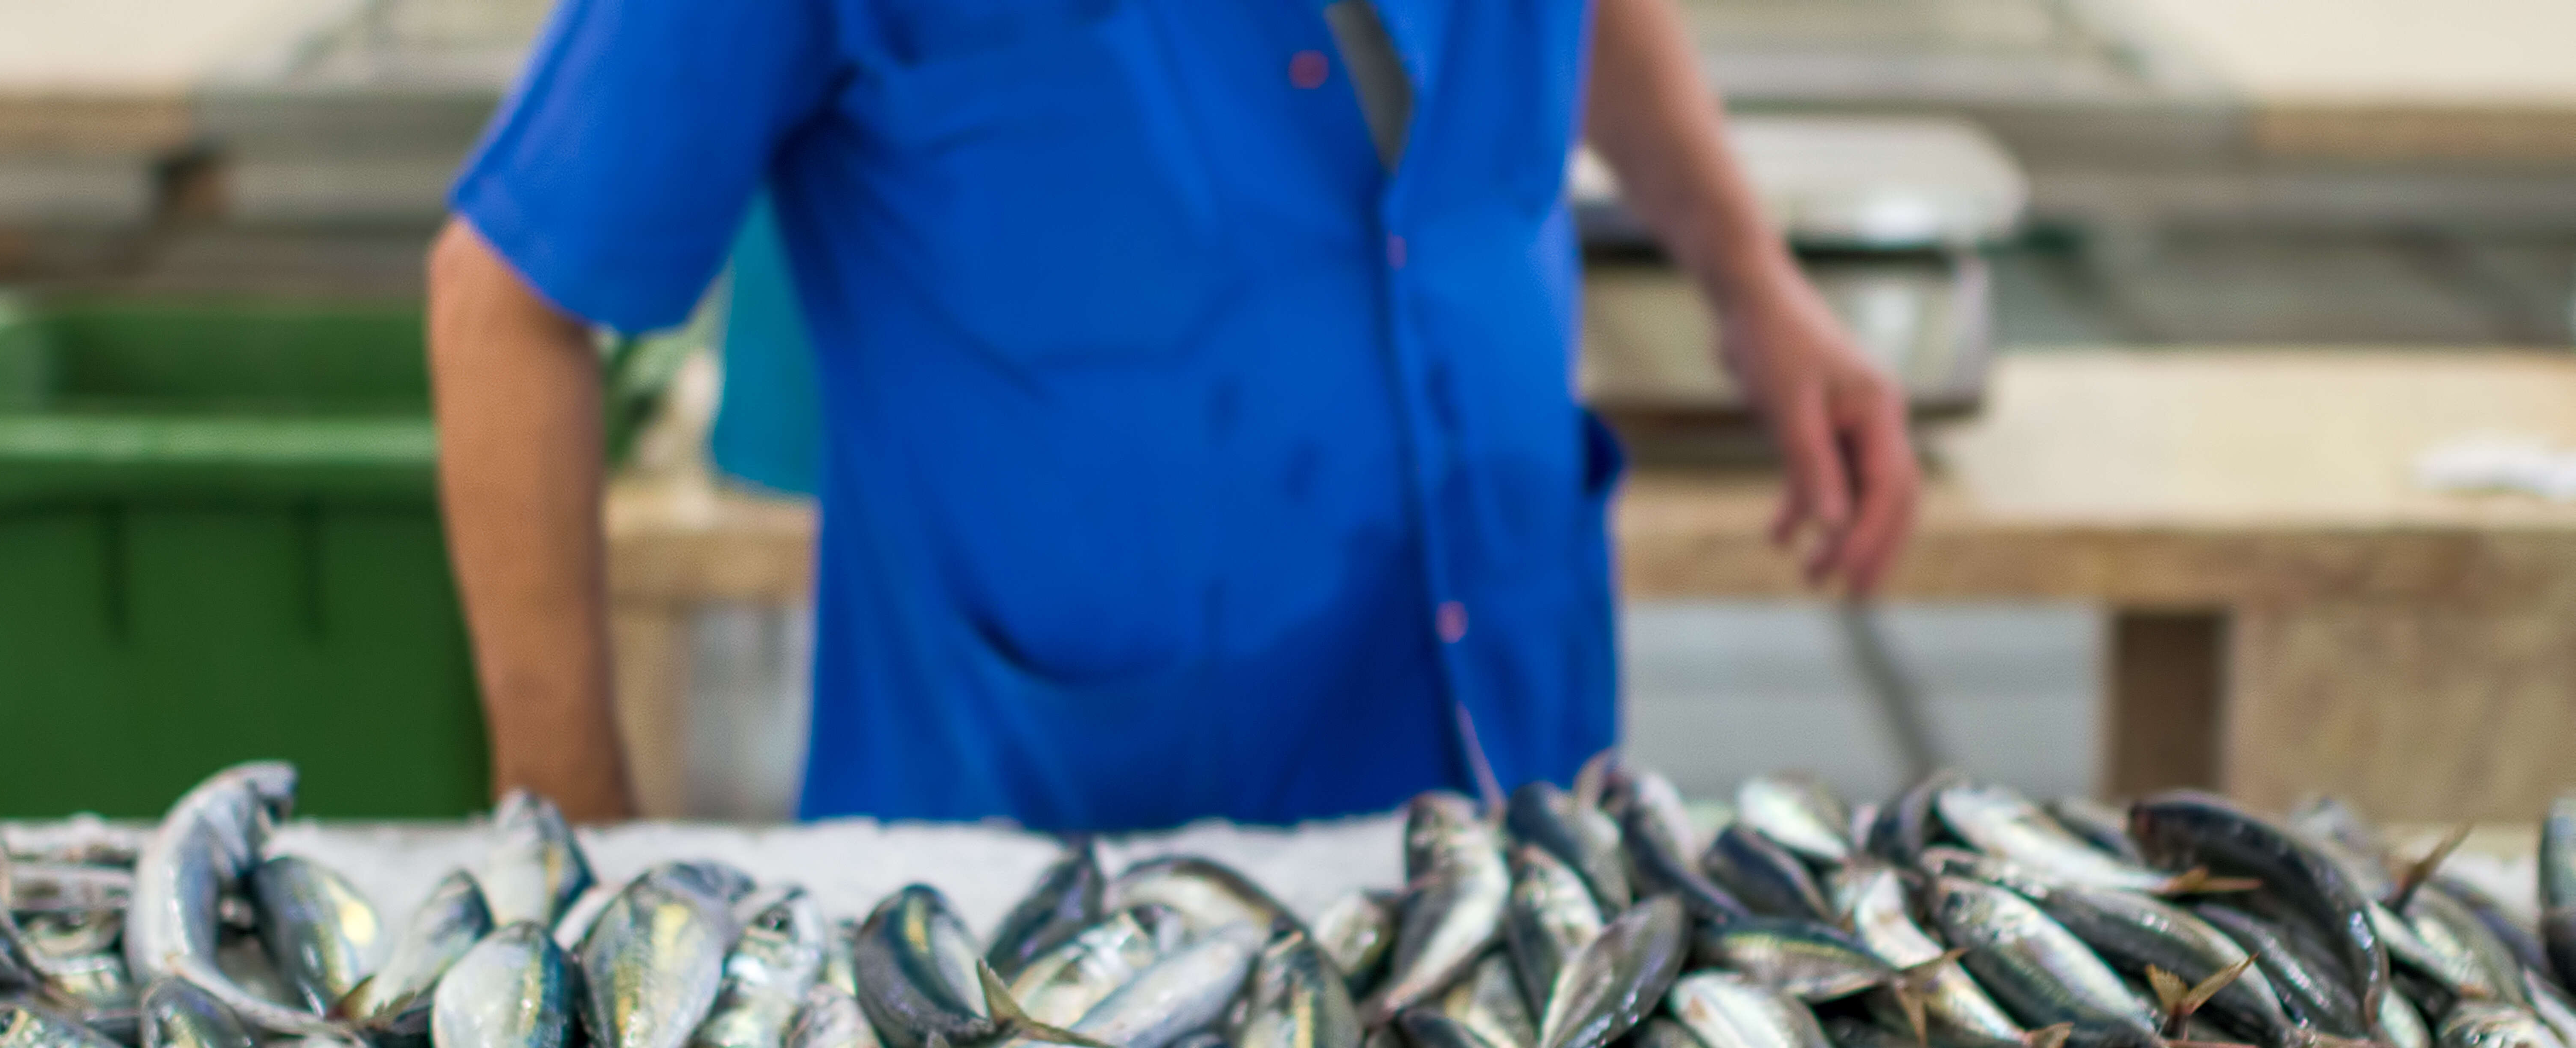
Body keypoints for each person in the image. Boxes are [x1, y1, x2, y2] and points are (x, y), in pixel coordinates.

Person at [430, 0, 1918, 828]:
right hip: (1048, 899)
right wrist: (581, 851)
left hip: (1515, 768)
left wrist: (1750, 279)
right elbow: (505, 297)